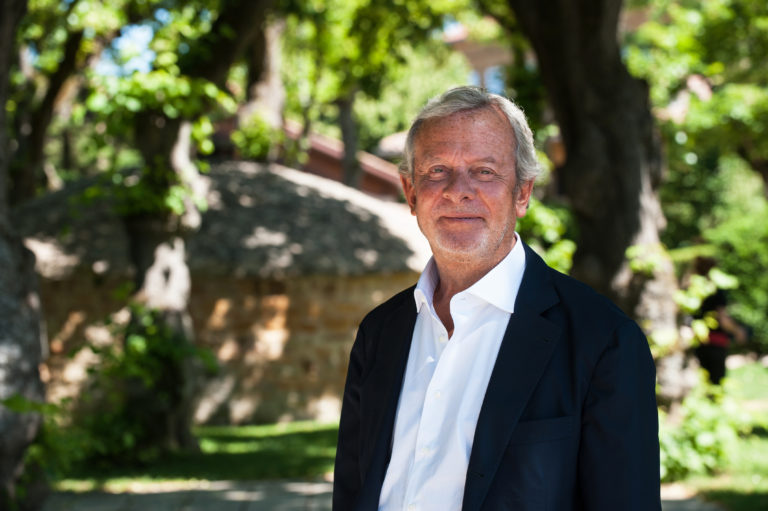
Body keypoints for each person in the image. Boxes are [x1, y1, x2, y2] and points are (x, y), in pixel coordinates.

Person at [333, 86, 660, 511]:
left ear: (522, 193)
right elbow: (352, 493)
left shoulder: (604, 342)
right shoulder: (380, 331)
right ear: (410, 192)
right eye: (436, 171)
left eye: (485, 171)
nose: (458, 190)